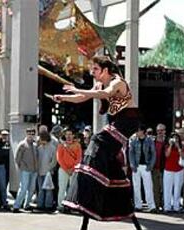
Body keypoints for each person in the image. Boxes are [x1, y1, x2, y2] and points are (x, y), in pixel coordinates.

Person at [52, 56, 139, 220]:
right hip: (116, 122)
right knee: (107, 156)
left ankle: (90, 183)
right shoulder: (99, 83)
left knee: (97, 140)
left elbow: (103, 94)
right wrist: (63, 97)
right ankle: (111, 194)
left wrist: (77, 89)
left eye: (95, 69)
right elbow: (83, 98)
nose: (92, 73)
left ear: (105, 70)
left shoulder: (117, 82)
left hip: (128, 122)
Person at [129, 125, 156, 212]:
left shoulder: (149, 140)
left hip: (146, 166)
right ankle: (138, 205)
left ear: (143, 131)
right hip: (136, 166)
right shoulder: (133, 141)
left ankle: (151, 206)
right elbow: (131, 153)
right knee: (136, 186)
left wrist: (151, 165)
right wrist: (132, 164)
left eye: (138, 131)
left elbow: (153, 153)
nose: (137, 132)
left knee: (148, 186)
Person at [163, 133, 184, 212]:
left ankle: (176, 207)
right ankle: (167, 207)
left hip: (179, 170)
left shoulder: (182, 146)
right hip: (168, 170)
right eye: (173, 138)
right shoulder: (167, 146)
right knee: (167, 189)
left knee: (177, 189)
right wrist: (170, 145)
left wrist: (178, 146)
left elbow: (183, 156)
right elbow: (167, 155)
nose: (175, 139)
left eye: (176, 138)